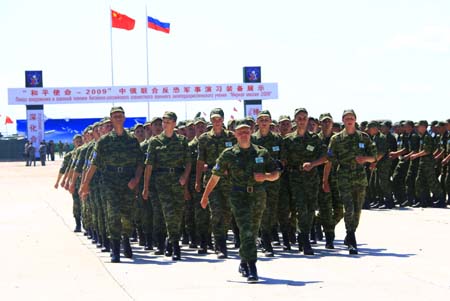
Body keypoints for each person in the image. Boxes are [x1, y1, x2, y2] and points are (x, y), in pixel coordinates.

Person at [201, 118, 279, 282]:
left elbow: (276, 174)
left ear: (251, 132)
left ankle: (243, 261)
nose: (244, 134)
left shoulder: (261, 153)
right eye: (240, 131)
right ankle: (252, 265)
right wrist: (205, 196)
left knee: (253, 229)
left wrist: (265, 176)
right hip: (238, 196)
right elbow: (215, 177)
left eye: (246, 131)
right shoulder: (228, 155)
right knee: (246, 230)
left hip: (258, 195)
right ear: (235, 134)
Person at [80, 106, 144, 263]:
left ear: (124, 118)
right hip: (110, 182)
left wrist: (136, 180)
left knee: (128, 215)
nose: (118, 118)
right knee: (113, 214)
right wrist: (85, 184)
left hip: (128, 181)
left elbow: (140, 164)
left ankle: (126, 240)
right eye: (115, 116)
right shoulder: (104, 142)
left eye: (120, 116)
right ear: (111, 119)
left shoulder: (132, 141)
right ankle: (115, 250)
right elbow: (93, 165)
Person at [324, 109, 376, 255]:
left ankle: (350, 233)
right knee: (349, 208)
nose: (349, 120)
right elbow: (330, 157)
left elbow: (374, 157)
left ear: (355, 119)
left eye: (351, 118)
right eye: (347, 118)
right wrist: (340, 163)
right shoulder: (337, 139)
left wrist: (365, 159)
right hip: (344, 176)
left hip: (359, 176)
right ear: (343, 120)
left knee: (358, 210)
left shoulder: (363, 137)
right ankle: (351, 237)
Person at [142, 111, 191, 261]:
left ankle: (170, 240)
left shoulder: (182, 141)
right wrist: (146, 186)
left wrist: (184, 177)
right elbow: (149, 166)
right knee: (168, 212)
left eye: (168, 121)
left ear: (175, 123)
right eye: (164, 121)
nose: (165, 124)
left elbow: (188, 162)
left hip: (177, 181)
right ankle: (176, 246)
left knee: (177, 213)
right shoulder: (155, 142)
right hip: (161, 182)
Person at [281, 108, 328, 255]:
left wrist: (313, 164)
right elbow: (283, 159)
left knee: (310, 209)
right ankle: (305, 240)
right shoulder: (288, 140)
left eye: (304, 118)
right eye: (299, 118)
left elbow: (326, 157)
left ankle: (302, 236)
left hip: (311, 179)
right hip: (294, 179)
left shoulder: (314, 139)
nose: (302, 120)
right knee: (301, 209)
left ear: (307, 120)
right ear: (295, 120)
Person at [195, 108, 236, 259]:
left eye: (219, 119)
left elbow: (236, 157)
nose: (216, 122)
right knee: (216, 211)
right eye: (214, 119)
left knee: (227, 212)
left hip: (229, 180)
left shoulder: (232, 137)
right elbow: (200, 162)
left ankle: (223, 237)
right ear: (210, 121)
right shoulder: (204, 139)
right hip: (212, 180)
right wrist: (198, 181)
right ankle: (220, 245)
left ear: (223, 120)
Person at [251, 110, 283, 257]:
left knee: (271, 210)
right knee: (259, 209)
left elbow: (284, 159)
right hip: (257, 181)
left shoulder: (277, 139)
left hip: (273, 180)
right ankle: (265, 240)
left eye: (266, 119)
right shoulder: (251, 139)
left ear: (270, 121)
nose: (264, 122)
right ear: (257, 122)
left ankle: (266, 236)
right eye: (261, 119)